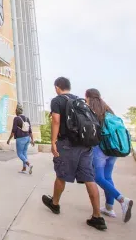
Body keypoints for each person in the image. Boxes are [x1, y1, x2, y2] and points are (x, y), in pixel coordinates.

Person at [42, 77, 107, 231]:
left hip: (67, 144)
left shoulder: (57, 100)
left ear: (57, 87)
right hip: (85, 144)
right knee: (89, 178)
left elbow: (56, 121)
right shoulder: (79, 101)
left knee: (61, 174)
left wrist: (52, 142)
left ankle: (55, 203)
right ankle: (97, 216)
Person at [85, 88, 134, 223]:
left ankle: (122, 200)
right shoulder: (108, 110)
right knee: (107, 177)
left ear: (87, 96)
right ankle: (109, 208)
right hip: (113, 148)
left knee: (98, 177)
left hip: (100, 148)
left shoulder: (91, 110)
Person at [6, 104, 34, 174]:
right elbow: (30, 130)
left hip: (20, 139)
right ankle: (24, 168)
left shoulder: (16, 118)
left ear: (16, 111)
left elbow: (13, 130)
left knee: (19, 153)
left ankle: (29, 164)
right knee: (24, 153)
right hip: (27, 138)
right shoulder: (27, 118)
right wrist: (32, 140)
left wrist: (9, 139)